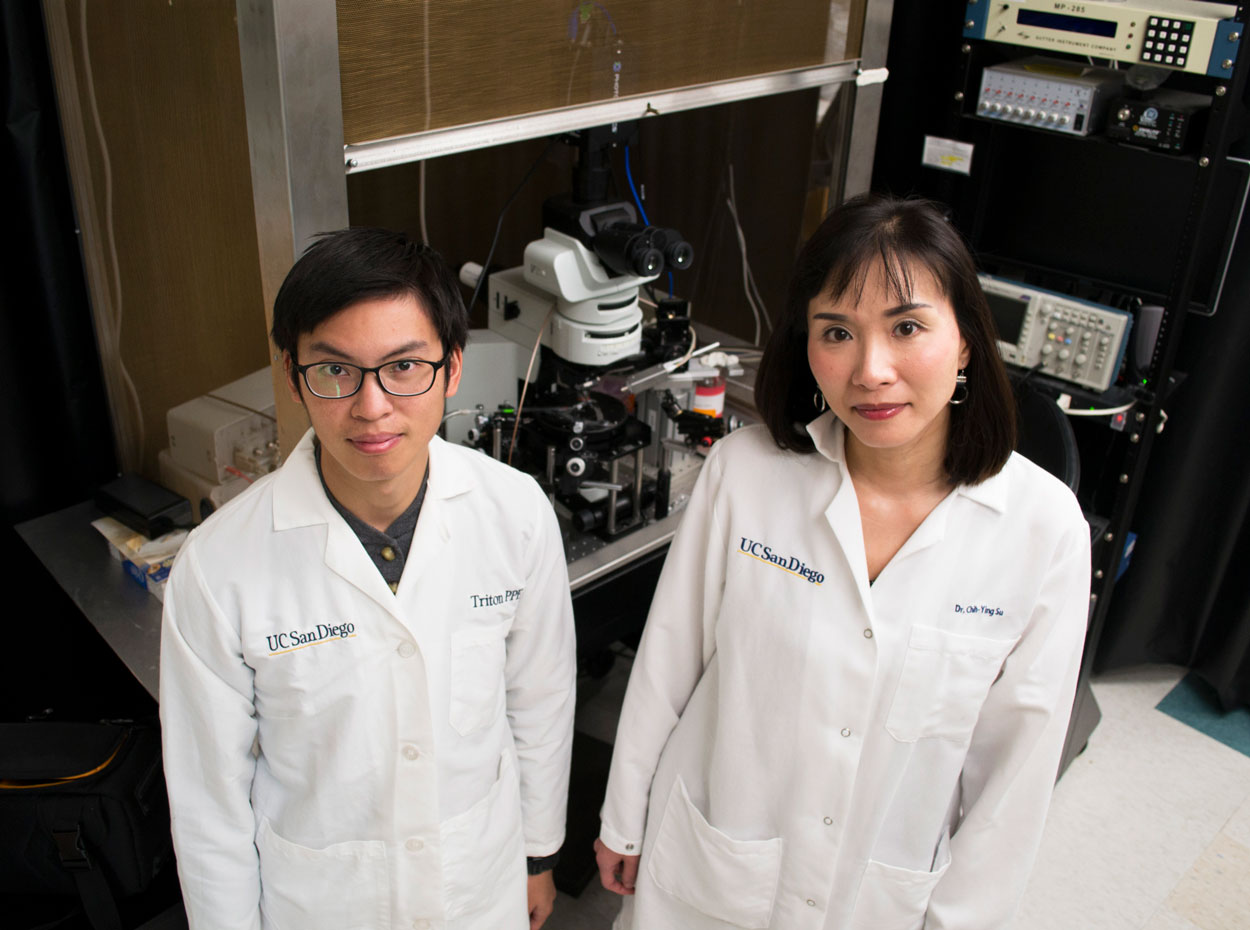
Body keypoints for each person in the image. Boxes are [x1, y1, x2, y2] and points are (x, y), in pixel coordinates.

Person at [594, 194, 1091, 929]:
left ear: (965, 342)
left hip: (879, 895)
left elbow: (1013, 773)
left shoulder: (1043, 529)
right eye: (837, 332)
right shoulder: (747, 473)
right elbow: (670, 659)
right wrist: (624, 817)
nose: (871, 370)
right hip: (712, 863)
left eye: (907, 327)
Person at [159, 228, 576, 930]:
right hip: (323, 905)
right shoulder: (218, 567)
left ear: (452, 369)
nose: (372, 406)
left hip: (477, 885)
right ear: (295, 377)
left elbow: (539, 701)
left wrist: (537, 857)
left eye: (405, 367)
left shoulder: (515, 514)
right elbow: (209, 803)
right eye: (335, 371)